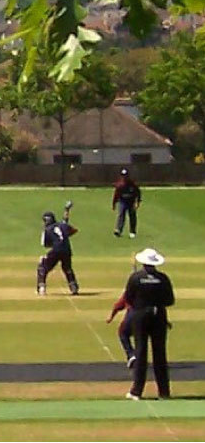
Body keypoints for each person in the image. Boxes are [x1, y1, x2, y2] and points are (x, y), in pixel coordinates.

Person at [123, 247, 174, 399]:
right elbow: (170, 300)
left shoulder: (135, 278)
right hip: (158, 315)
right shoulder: (163, 278)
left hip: (140, 315)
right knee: (160, 354)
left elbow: (129, 298)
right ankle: (164, 392)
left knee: (140, 352)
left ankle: (136, 391)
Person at [36, 210, 78, 295]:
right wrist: (65, 235)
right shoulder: (63, 225)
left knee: (42, 266)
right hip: (67, 249)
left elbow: (45, 244)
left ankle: (41, 287)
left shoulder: (47, 230)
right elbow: (74, 230)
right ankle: (73, 287)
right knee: (67, 268)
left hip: (56, 250)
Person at [106, 290, 136, 368]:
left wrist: (111, 317)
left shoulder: (132, 289)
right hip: (152, 316)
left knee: (123, 332)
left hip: (134, 314)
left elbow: (118, 305)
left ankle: (131, 355)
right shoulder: (153, 289)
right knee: (142, 335)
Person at [113, 168, 142, 238]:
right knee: (121, 215)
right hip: (122, 202)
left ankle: (132, 232)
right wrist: (114, 204)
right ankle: (119, 230)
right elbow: (116, 195)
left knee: (132, 216)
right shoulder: (119, 185)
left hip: (131, 202)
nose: (124, 177)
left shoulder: (132, 184)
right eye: (123, 176)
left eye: (125, 175)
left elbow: (138, 193)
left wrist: (137, 202)